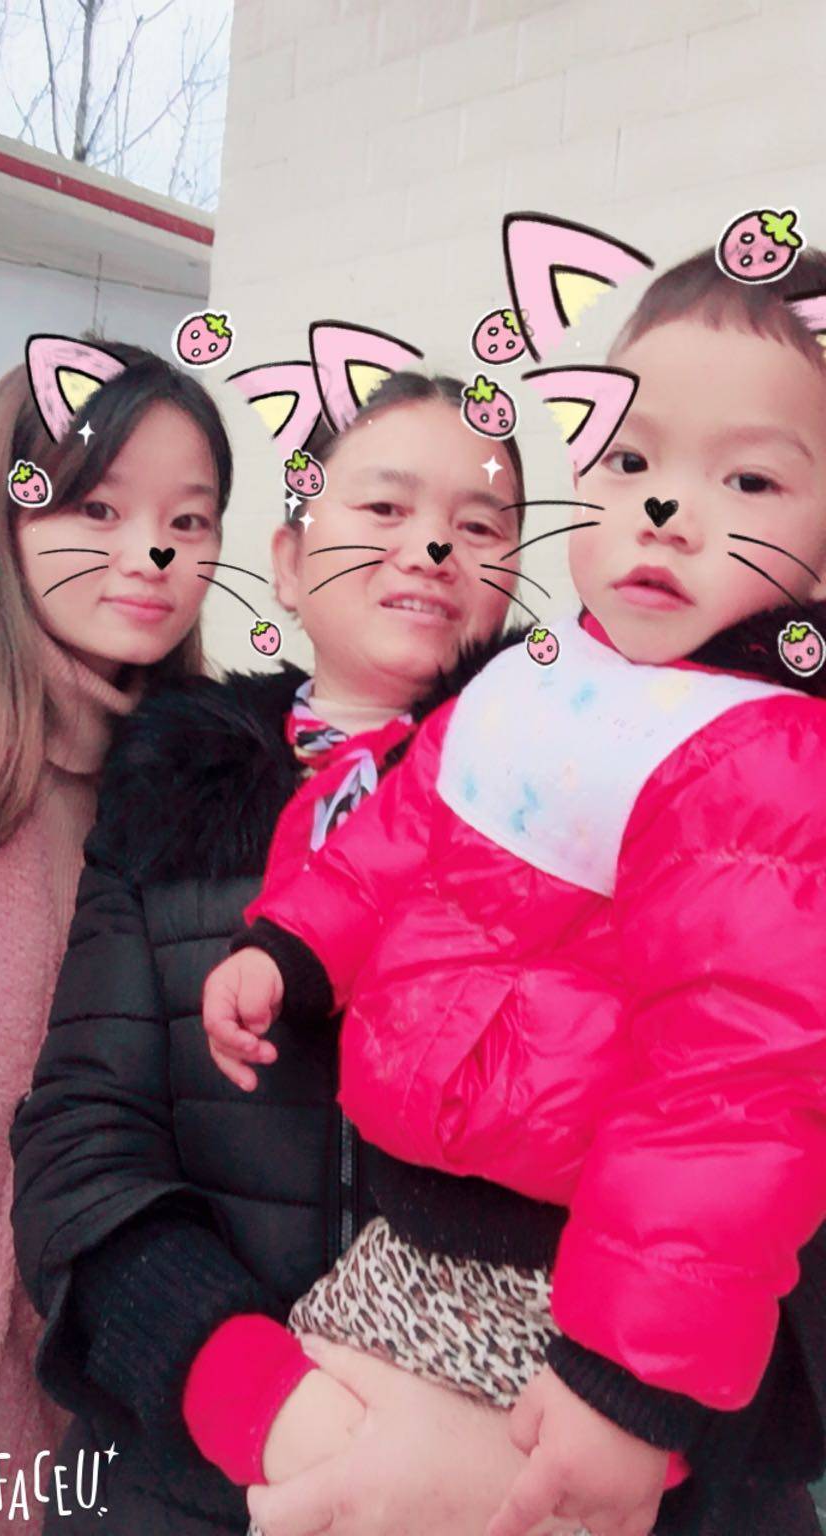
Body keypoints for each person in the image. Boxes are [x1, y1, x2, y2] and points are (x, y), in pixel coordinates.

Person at [203, 252, 826, 1536]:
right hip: (412, 1223)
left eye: (750, 481)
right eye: (630, 460)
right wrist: (293, 948)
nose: (667, 511)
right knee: (307, 1480)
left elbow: (733, 1090)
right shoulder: (537, 682)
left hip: (566, 1290)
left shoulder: (763, 757)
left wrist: (627, 1382)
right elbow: (399, 835)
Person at [8, 373, 558, 1536]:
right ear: (293, 563)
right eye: (385, 508)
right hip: (187, 1481)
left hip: (509, 1471)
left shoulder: (583, 802)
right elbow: (81, 1143)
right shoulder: (167, 791)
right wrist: (265, 1404)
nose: (431, 550)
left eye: (479, 524)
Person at [0, 337, 231, 1535]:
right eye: (99, 508)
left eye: (189, 519)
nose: (150, 555)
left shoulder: (211, 805)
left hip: (90, 1454)